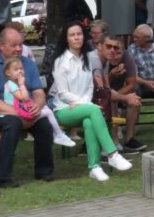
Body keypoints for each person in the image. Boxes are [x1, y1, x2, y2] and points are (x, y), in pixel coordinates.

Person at [49, 22, 133, 181]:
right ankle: (112, 154)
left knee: (89, 121)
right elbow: (63, 92)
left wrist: (84, 103)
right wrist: (84, 103)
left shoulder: (87, 59)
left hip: (83, 107)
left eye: (79, 34)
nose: (77, 38)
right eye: (72, 35)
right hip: (63, 110)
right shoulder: (61, 61)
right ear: (66, 39)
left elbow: (90, 86)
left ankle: (95, 167)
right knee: (94, 110)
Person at [0, 25, 55, 187]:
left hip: (25, 109)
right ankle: (3, 178)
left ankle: (44, 171)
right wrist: (20, 115)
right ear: (1, 45)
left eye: (21, 44)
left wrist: (37, 106)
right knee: (12, 123)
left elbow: (39, 93)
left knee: (44, 124)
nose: (19, 49)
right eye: (14, 45)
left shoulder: (28, 63)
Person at [3, 55, 75, 146]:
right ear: (8, 73)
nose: (20, 71)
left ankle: (56, 134)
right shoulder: (11, 84)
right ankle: (59, 135)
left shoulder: (14, 84)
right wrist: (22, 84)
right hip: (19, 115)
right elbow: (24, 98)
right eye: (16, 69)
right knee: (48, 112)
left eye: (21, 68)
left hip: (21, 111)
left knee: (45, 108)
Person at [90, 33, 143, 151]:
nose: (112, 50)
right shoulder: (95, 60)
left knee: (112, 99)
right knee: (109, 100)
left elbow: (107, 89)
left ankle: (118, 141)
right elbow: (102, 92)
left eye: (115, 48)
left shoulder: (106, 60)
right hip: (72, 100)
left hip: (89, 95)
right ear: (99, 46)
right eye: (109, 46)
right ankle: (108, 145)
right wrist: (125, 98)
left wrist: (121, 96)